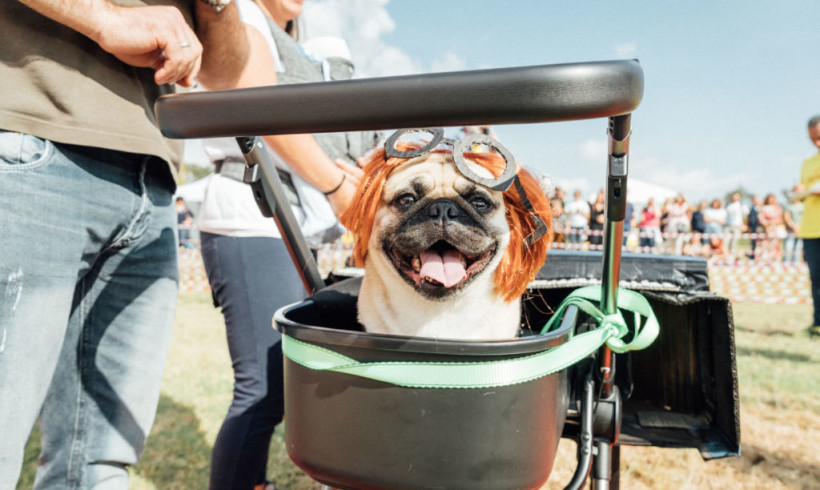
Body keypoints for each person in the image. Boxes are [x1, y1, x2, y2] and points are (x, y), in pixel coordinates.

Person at [0, 0, 248, 487]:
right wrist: (106, 18)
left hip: (152, 182)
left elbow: (226, 72)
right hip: (33, 135)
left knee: (98, 463)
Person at [195, 1, 381, 489]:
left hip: (286, 219)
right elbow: (261, 107)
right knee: (263, 389)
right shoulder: (247, 18)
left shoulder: (300, 38)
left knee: (276, 385)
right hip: (252, 213)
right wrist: (337, 187)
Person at [798, 115, 820, 337]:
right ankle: (817, 323)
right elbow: (801, 192)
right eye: (813, 139)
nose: (817, 143)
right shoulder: (808, 163)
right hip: (811, 229)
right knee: (817, 280)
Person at [784, 184, 805, 263]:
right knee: (788, 248)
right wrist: (793, 226)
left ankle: (795, 263)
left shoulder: (803, 205)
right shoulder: (789, 205)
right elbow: (787, 217)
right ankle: (786, 263)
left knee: (798, 249)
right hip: (791, 230)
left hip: (800, 230)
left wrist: (800, 227)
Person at [724, 192, 748, 258]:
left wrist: (745, 225)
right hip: (728, 225)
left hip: (737, 226)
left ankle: (732, 257)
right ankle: (725, 256)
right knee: (725, 242)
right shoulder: (727, 205)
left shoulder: (741, 205)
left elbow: (746, 215)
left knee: (734, 242)